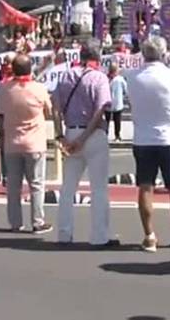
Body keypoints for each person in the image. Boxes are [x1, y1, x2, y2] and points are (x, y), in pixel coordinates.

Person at [127, 36, 170, 252]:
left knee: (145, 187)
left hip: (143, 138)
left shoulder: (133, 77)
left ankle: (149, 235)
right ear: (163, 54)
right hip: (169, 137)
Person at [52, 40, 117, 247]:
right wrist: (84, 137)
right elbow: (100, 111)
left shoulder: (66, 76)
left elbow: (54, 107)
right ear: (97, 57)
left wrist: (60, 134)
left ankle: (64, 233)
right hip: (93, 134)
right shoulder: (99, 78)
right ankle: (99, 236)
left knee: (68, 187)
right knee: (98, 188)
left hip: (70, 132)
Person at [0, 54, 53, 234]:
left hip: (12, 142)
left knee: (13, 186)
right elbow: (49, 111)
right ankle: (37, 221)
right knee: (36, 184)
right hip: (34, 142)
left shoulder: (4, 89)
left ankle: (15, 222)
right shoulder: (39, 88)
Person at [105, 63, 127, 143]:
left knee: (116, 120)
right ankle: (109, 135)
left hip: (116, 104)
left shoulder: (120, 79)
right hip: (110, 103)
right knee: (110, 120)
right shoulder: (107, 79)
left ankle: (117, 135)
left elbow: (125, 89)